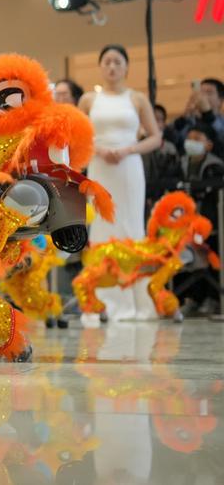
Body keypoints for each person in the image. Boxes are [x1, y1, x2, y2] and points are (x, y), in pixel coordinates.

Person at [78, 44, 163, 321]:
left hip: (128, 168)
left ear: (126, 67)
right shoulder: (89, 100)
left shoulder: (137, 98)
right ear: (100, 67)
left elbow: (155, 137)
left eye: (117, 62)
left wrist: (129, 149)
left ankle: (136, 299)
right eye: (107, 62)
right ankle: (99, 299)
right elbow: (78, 136)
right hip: (100, 166)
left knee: (130, 225)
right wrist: (98, 150)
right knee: (102, 225)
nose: (112, 67)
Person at [177, 121, 224, 316]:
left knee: (211, 258)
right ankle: (191, 298)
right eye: (189, 138)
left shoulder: (215, 165)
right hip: (184, 223)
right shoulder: (181, 163)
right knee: (187, 260)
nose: (191, 142)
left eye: (197, 139)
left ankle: (213, 298)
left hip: (211, 224)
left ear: (209, 145)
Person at [142, 104, 181, 214]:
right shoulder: (137, 147)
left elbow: (173, 174)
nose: (154, 123)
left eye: (158, 120)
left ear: (164, 124)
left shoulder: (170, 148)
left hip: (164, 200)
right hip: (141, 199)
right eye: (151, 119)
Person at [170, 78, 224, 150]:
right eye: (201, 92)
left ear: (220, 100)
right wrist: (183, 118)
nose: (202, 96)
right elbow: (171, 139)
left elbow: (220, 137)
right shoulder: (189, 121)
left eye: (209, 93)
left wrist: (207, 113)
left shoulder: (221, 123)